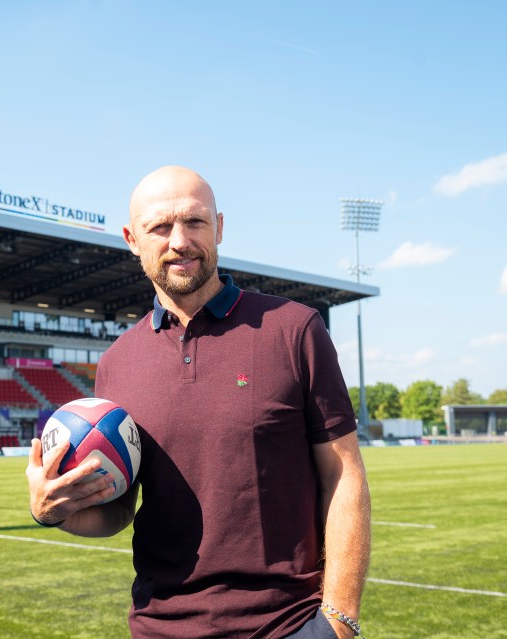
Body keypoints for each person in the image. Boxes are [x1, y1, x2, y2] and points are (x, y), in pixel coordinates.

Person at [26, 166, 371, 639]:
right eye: (159, 227)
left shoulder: (294, 330)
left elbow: (343, 474)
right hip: (158, 627)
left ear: (220, 228)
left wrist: (340, 621)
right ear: (132, 238)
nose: (180, 241)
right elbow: (118, 510)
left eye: (195, 222)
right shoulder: (116, 363)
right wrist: (54, 510)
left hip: (285, 626)